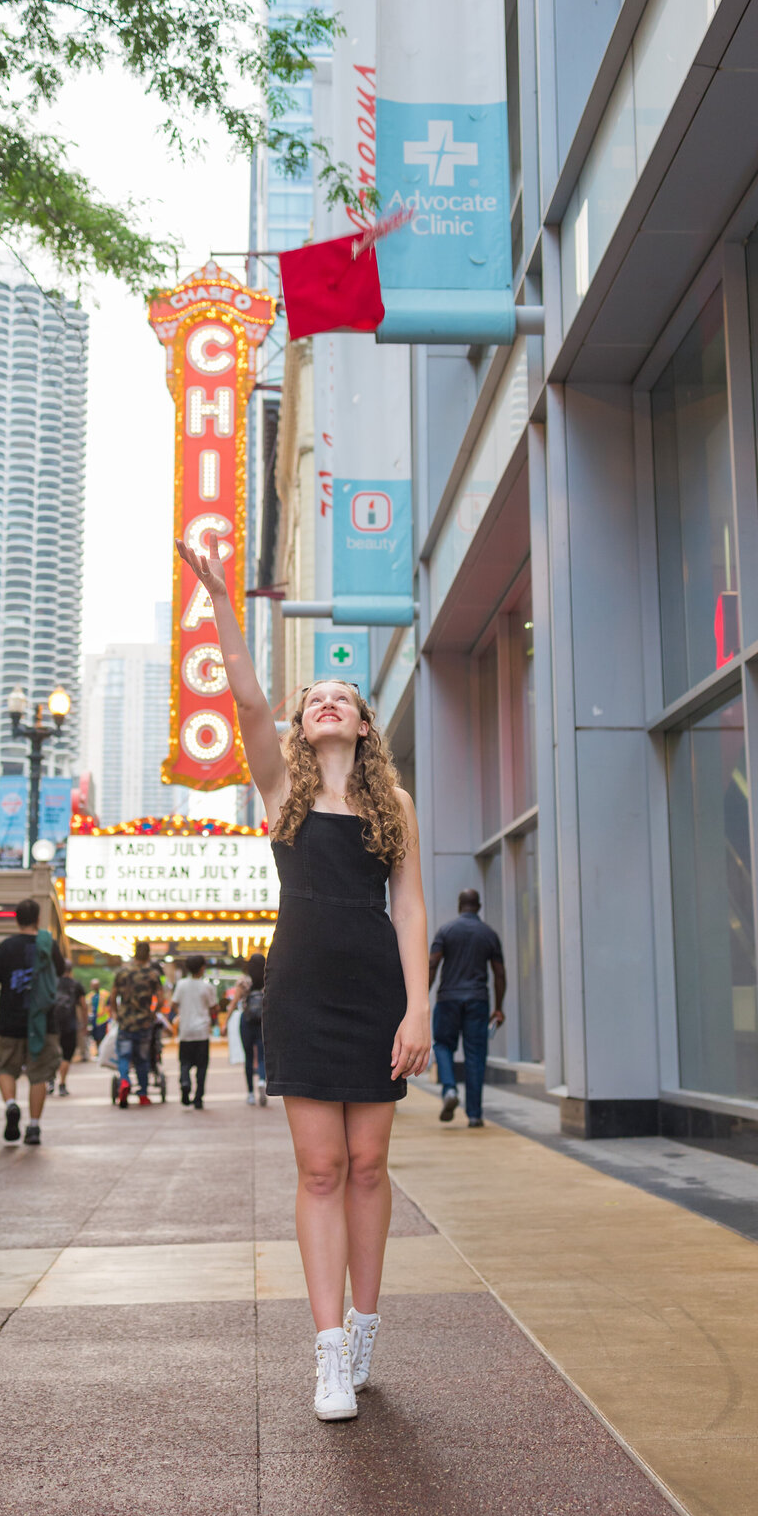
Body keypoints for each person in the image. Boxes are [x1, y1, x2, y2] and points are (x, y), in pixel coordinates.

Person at [177, 531, 430, 1422]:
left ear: (363, 725)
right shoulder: (280, 787)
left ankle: (366, 1323)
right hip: (303, 993)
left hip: (377, 997)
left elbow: (410, 910)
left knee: (370, 1164)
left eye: (342, 697)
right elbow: (246, 698)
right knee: (320, 1168)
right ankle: (329, 1352)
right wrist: (220, 604)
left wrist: (420, 1011)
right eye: (314, 696)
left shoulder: (390, 804)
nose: (326, 702)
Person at [0, 897, 62, 1145]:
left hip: (10, 1020)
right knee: (39, 1075)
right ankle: (34, 1127)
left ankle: (10, 1105)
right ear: (38, 919)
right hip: (42, 1021)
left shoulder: (7, 946)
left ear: (16, 919)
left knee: (4, 1067)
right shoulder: (48, 945)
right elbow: (59, 973)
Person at [428, 889, 506, 1130]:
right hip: (477, 1000)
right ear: (479, 906)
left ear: (460, 905)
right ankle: (474, 1115)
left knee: (442, 1044)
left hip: (448, 999)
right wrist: (499, 1007)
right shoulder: (489, 934)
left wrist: (421, 997)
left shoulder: (446, 931)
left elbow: (432, 964)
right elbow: (499, 973)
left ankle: (449, 1088)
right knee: (475, 1056)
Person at [112, 941, 163, 1108]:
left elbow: (112, 998)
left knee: (124, 1057)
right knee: (142, 1060)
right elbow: (161, 999)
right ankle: (143, 1094)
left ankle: (125, 1081)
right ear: (148, 955)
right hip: (144, 1023)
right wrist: (153, 1014)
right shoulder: (152, 974)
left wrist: (117, 1014)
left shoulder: (122, 973)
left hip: (125, 1023)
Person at [171, 956, 218, 1108]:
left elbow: (174, 1004)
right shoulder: (207, 987)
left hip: (185, 1031)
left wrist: (183, 1013)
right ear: (202, 968)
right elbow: (214, 1007)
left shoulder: (181, 984)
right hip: (202, 1032)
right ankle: (198, 1098)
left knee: (184, 1063)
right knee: (202, 1067)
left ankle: (185, 1082)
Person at [234, 952, 267, 1106]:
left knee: (248, 1057)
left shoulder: (243, 981)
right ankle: (261, 1080)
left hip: (246, 1021)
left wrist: (224, 1022)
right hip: (263, 1021)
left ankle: (250, 1094)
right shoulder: (268, 979)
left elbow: (235, 1002)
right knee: (261, 1056)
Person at [52, 959, 86, 1096]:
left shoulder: (52, 983)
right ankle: (62, 1084)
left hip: (52, 1025)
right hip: (69, 1025)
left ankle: (50, 1081)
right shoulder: (76, 985)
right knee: (66, 1056)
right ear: (71, 970)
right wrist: (84, 1024)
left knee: (52, 1053)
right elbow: (83, 1006)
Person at [88, 976, 111, 1047]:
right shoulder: (90, 995)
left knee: (102, 1037)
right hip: (93, 1019)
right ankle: (98, 1051)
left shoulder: (105, 994)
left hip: (103, 1020)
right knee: (95, 1037)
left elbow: (109, 1006)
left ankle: (101, 1051)